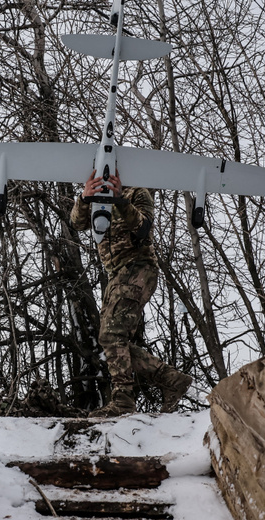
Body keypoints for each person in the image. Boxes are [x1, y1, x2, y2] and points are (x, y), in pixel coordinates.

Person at [71, 171, 193, 417]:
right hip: (116, 275)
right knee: (112, 340)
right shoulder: (96, 198)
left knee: (112, 334)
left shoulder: (137, 193)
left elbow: (143, 227)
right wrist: (84, 198)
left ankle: (124, 401)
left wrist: (120, 200)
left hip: (138, 267)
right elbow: (77, 223)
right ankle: (172, 379)